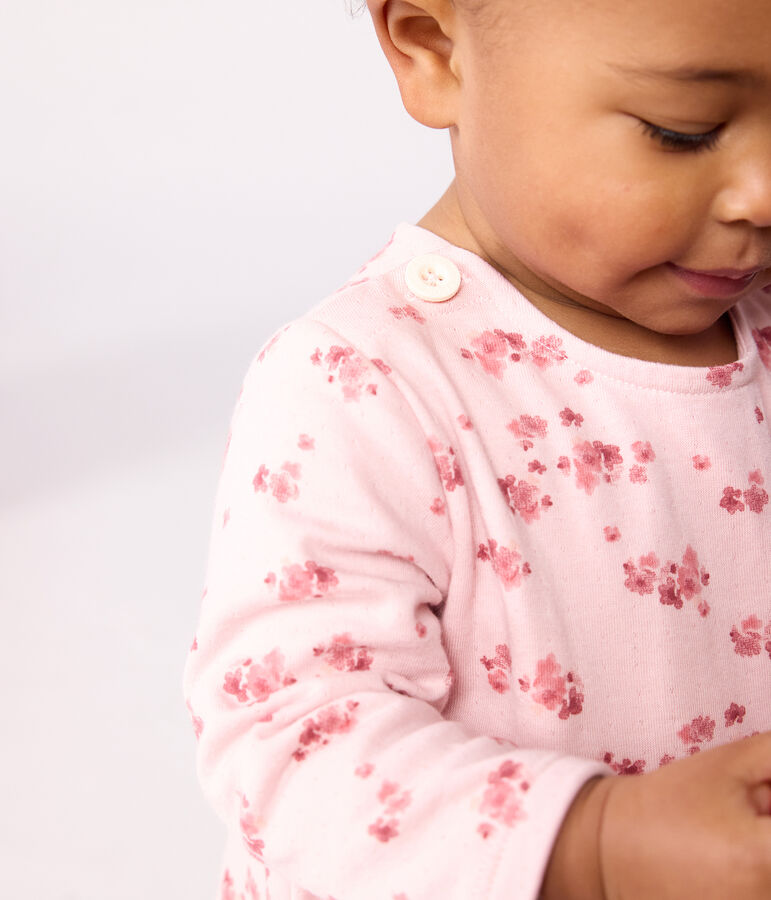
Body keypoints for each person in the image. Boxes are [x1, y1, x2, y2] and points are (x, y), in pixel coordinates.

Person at [182, 0, 771, 897]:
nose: (761, 193)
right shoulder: (364, 383)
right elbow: (292, 746)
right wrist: (595, 842)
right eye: (680, 131)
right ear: (434, 50)